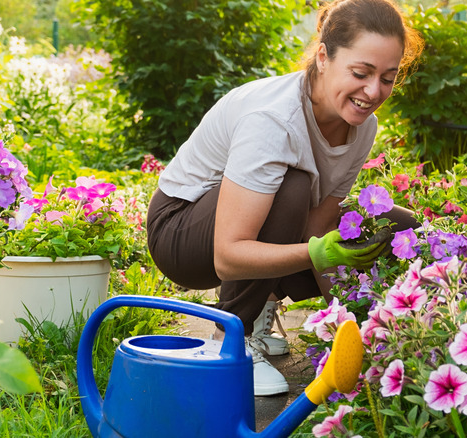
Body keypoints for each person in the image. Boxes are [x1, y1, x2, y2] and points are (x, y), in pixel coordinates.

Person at [147, 0, 423, 396]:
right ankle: (230, 338)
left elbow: (317, 228)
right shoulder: (274, 120)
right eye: (361, 73)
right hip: (182, 233)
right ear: (324, 57)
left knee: (395, 227)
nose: (373, 92)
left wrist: (350, 333)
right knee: (292, 188)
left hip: (263, 225)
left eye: (388, 78)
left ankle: (261, 305)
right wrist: (320, 254)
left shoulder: (363, 126)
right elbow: (228, 254)